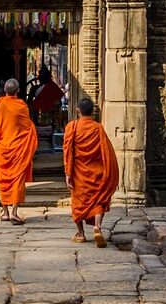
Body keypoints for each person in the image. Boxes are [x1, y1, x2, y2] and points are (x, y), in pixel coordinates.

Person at [64, 98, 119, 247]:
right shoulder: (98, 128)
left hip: (79, 172)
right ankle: (97, 227)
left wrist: (68, 173)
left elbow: (68, 152)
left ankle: (81, 234)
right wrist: (109, 170)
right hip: (97, 171)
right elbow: (106, 152)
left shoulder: (72, 127)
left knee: (78, 203)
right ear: (92, 112)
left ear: (77, 110)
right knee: (98, 199)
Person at [0, 78, 37, 224]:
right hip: (18, 148)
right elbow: (28, 127)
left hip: (3, 148)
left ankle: (5, 212)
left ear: (4, 90)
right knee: (17, 179)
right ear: (18, 91)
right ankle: (14, 211)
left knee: (4, 179)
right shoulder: (22, 106)